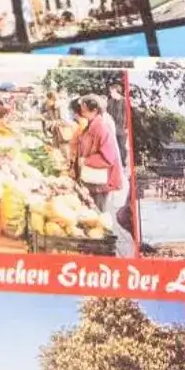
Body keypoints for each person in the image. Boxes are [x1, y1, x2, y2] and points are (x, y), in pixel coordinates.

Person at [69, 94, 133, 256]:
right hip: (92, 179)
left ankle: (104, 250)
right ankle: (97, 246)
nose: (81, 111)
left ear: (94, 110)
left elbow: (108, 157)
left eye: (84, 108)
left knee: (99, 215)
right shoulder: (90, 125)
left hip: (100, 181)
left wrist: (86, 161)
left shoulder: (101, 128)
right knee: (94, 213)